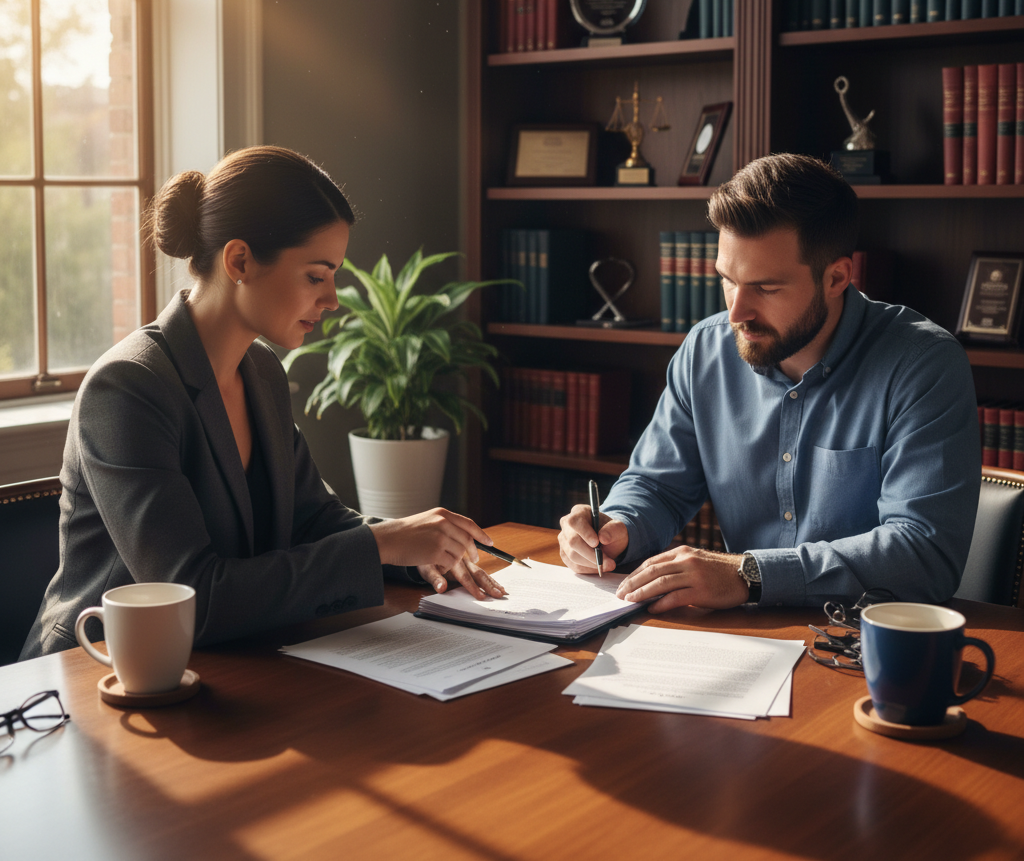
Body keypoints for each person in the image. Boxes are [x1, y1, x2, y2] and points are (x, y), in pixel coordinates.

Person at [21, 146, 503, 659]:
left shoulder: (262, 371)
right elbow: (191, 599)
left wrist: (416, 551)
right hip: (96, 677)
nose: (333, 298)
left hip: (228, 665)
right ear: (240, 261)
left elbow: (315, 519)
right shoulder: (127, 388)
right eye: (316, 276)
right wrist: (381, 545)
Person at [558, 153, 981, 611]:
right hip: (742, 638)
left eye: (766, 288)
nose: (736, 313)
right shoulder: (706, 350)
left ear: (837, 276)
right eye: (727, 280)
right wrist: (618, 526)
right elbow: (658, 485)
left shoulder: (923, 366)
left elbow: (923, 553)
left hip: (862, 642)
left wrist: (750, 575)